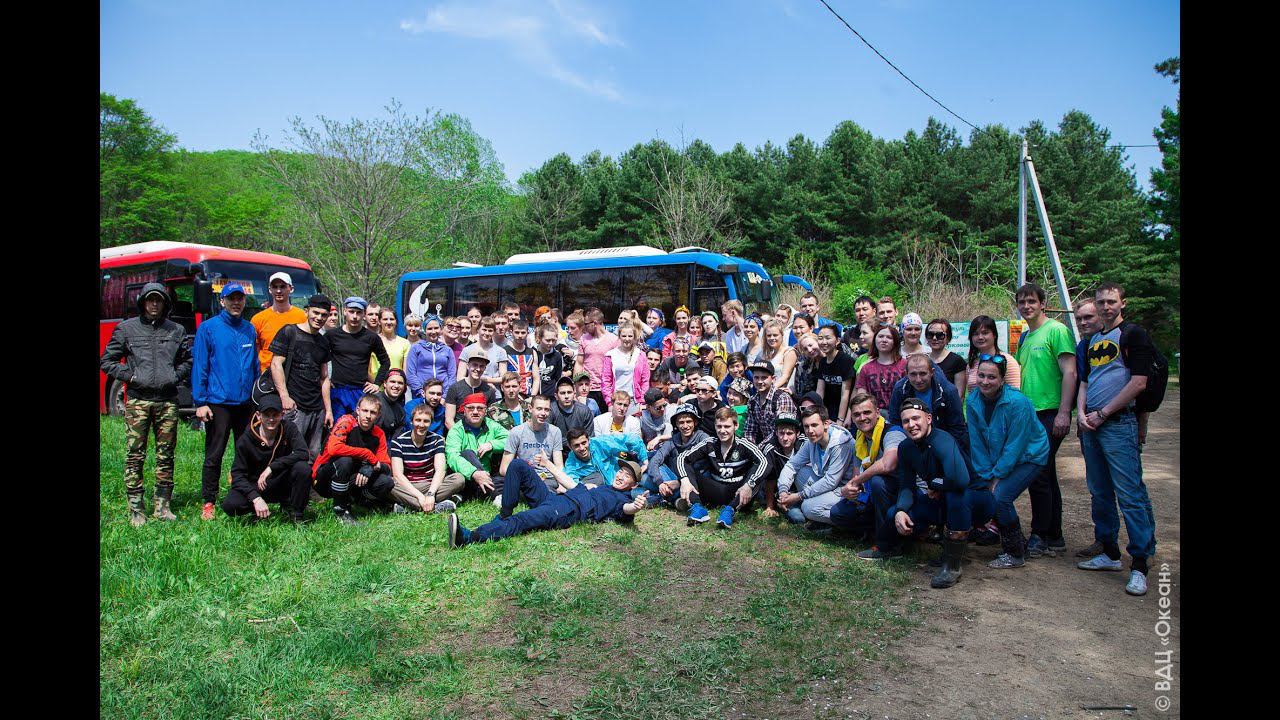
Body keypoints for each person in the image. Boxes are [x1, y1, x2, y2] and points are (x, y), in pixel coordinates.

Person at [1075, 282, 1158, 596]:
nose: (1105, 307)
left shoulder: (1133, 335)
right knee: (1099, 491)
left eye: (1111, 301)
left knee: (1130, 494)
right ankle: (1109, 552)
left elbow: (1139, 382)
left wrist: (1104, 413)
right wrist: (1082, 414)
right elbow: (1085, 382)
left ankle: (1140, 563)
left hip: (1118, 423)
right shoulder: (1092, 341)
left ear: (1123, 303)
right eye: (1101, 302)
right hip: (1091, 425)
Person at [101, 282, 192, 526]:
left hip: (167, 402)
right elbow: (107, 361)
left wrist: (174, 376)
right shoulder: (126, 329)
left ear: (165, 304)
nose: (154, 304)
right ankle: (136, 509)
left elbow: (187, 360)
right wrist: (131, 377)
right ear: (142, 302)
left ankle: (163, 507)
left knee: (166, 455)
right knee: (135, 455)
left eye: (158, 300)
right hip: (138, 401)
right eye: (150, 300)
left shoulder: (176, 330)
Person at [889, 397, 996, 588]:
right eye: (906, 421)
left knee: (957, 495)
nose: (911, 425)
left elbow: (960, 481)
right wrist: (901, 510)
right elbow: (906, 485)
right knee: (894, 513)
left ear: (929, 418)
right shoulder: (906, 447)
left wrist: (935, 485)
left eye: (916, 418)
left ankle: (952, 566)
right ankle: (893, 545)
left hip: (977, 501)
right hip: (944, 500)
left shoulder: (942, 439)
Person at [446, 457, 649, 548]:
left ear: (633, 485)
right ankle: (504, 514)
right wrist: (548, 464)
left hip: (567, 510)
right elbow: (571, 484)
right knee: (518, 465)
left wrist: (636, 506)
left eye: (627, 476)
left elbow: (626, 510)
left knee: (522, 520)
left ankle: (469, 537)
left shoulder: (620, 499)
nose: (621, 476)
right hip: (555, 499)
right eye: (621, 471)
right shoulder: (603, 487)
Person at [967, 353, 1050, 570]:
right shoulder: (973, 400)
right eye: (981, 375)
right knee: (989, 492)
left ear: (1002, 379)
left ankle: (1014, 553)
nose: (985, 381)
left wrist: (997, 476)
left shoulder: (1018, 402)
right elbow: (976, 443)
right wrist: (986, 475)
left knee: (1001, 496)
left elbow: (1016, 444)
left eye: (992, 377)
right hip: (1000, 456)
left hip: (1029, 455)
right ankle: (1019, 543)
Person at [1015, 282, 1078, 558]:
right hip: (1030, 415)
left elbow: (1070, 373)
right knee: (1047, 473)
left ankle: (1039, 535)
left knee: (1038, 472)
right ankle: (1054, 535)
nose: (1026, 306)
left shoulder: (1057, 330)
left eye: (1031, 301)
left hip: (1050, 412)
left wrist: (1064, 412)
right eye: (1022, 302)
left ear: (1043, 304)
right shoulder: (1025, 337)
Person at [191, 283, 259, 520]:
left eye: (240, 299)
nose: (236, 303)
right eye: (231, 299)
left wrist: (257, 398)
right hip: (218, 402)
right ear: (222, 301)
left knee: (246, 453)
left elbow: (254, 367)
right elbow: (200, 365)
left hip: (245, 404)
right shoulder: (208, 328)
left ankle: (244, 496)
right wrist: (200, 402)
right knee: (214, 453)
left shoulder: (249, 329)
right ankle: (209, 501)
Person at [833, 392, 907, 554]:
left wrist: (856, 481)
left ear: (877, 412)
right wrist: (850, 490)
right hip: (873, 496)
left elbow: (888, 464)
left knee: (878, 481)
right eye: (856, 414)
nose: (862, 418)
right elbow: (856, 476)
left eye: (867, 412)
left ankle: (888, 545)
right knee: (838, 513)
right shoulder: (859, 439)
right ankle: (874, 530)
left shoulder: (892, 432)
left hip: (903, 496)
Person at [220, 394, 312, 523]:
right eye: (266, 415)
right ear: (258, 415)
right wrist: (255, 497)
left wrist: (272, 467)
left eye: (275, 415)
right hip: (255, 485)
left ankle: (296, 513)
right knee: (230, 505)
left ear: (282, 414)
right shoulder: (246, 439)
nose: (271, 419)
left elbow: (303, 453)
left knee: (303, 468)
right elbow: (237, 474)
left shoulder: (289, 428)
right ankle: (258, 509)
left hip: (280, 481)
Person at [673, 406, 769, 528]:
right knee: (687, 468)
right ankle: (698, 508)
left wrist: (749, 485)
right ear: (715, 426)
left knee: (756, 472)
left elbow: (764, 462)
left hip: (738, 492)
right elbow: (681, 458)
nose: (722, 431)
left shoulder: (744, 445)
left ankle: (730, 511)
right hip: (715, 489)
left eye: (727, 426)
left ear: (736, 426)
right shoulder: (709, 443)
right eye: (719, 426)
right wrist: (684, 480)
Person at [312, 393, 395, 525]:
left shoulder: (379, 433)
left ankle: (360, 502)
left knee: (386, 482)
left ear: (378, 415)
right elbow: (334, 448)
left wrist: (371, 468)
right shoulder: (346, 421)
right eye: (365, 411)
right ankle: (340, 510)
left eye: (373, 412)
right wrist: (366, 454)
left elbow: (386, 466)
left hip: (353, 478)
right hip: (325, 479)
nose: (368, 416)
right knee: (345, 460)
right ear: (357, 410)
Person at [269, 294, 335, 461]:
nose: (319, 318)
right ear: (307, 311)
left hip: (317, 408)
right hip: (294, 406)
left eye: (323, 315)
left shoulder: (323, 342)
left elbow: (324, 378)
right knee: (289, 453)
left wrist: (328, 410)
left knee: (313, 455)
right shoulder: (289, 332)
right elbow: (276, 364)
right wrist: (284, 396)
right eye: (315, 313)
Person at [775, 405, 856, 527]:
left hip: (843, 489)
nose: (810, 430)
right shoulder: (812, 441)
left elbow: (831, 481)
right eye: (806, 426)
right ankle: (815, 513)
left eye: (814, 425)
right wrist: (783, 491)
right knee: (801, 472)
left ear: (826, 424)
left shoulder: (841, 443)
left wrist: (798, 496)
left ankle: (846, 524)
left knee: (808, 508)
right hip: (827, 483)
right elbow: (792, 465)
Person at [387, 403, 464, 514]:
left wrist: (431, 494)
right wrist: (420, 497)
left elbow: (440, 470)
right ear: (411, 421)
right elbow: (398, 475)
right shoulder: (398, 442)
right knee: (388, 484)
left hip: (430, 484)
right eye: (418, 420)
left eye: (426, 421)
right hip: (408, 486)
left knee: (458, 479)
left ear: (431, 423)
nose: (422, 425)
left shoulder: (437, 440)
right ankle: (435, 506)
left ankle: (409, 506)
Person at [887, 354, 968, 454]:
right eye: (913, 374)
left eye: (923, 374)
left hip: (943, 441)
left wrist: (951, 452)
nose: (918, 380)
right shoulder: (900, 389)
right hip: (911, 440)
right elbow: (895, 421)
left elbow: (957, 428)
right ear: (906, 374)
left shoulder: (948, 392)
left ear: (932, 372)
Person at [328, 297, 390, 419]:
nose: (355, 316)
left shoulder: (371, 337)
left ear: (364, 314)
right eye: (351, 312)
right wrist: (325, 380)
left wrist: (377, 384)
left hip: (360, 391)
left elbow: (385, 362)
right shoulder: (332, 335)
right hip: (338, 391)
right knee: (338, 427)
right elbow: (320, 359)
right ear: (344, 311)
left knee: (360, 426)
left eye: (359, 312)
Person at [444, 391, 510, 505]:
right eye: (471, 408)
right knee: (467, 453)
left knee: (511, 477)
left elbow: (511, 439)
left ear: (485, 411)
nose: (475, 412)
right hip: (467, 476)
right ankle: (494, 495)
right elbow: (452, 457)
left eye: (480, 408)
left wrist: (492, 444)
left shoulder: (492, 425)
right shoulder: (456, 430)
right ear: (464, 411)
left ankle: (475, 493)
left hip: (489, 474)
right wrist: (474, 472)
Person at [645, 402, 711, 506]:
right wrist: (660, 483)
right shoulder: (673, 440)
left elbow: (705, 467)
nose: (685, 426)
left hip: (696, 479)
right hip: (672, 479)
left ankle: (661, 498)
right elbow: (655, 460)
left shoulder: (703, 438)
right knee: (649, 475)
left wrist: (680, 482)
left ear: (695, 422)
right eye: (681, 422)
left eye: (688, 421)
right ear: (676, 424)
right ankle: (675, 498)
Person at [499, 394, 565, 491]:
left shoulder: (555, 432)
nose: (543, 413)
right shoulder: (517, 432)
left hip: (547, 478)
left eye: (547, 410)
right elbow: (504, 468)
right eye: (539, 409)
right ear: (530, 408)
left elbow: (559, 466)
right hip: (524, 478)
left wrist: (562, 484)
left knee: (545, 489)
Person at [251, 271, 306, 374]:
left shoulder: (302, 317)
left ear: (291, 289)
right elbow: (254, 352)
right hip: (266, 375)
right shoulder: (258, 319)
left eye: (283, 286)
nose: (279, 290)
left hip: (295, 375)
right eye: (275, 287)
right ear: (270, 290)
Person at [756, 411, 802, 518]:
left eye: (789, 433)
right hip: (777, 489)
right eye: (781, 433)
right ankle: (774, 502)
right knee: (797, 517)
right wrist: (770, 507)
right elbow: (770, 479)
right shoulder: (770, 448)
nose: (785, 438)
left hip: (800, 490)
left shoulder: (805, 445)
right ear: (776, 433)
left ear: (798, 433)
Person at [564, 427, 648, 486]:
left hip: (621, 473)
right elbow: (571, 482)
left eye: (584, 443)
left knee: (645, 480)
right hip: (604, 489)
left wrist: (644, 460)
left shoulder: (601, 443)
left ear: (589, 440)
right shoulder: (571, 463)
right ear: (570, 447)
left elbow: (632, 439)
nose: (582, 448)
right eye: (576, 445)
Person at [572, 307, 620, 411]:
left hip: (607, 389)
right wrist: (576, 387)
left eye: (586, 324)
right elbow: (579, 363)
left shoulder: (614, 340)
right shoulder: (584, 339)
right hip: (588, 388)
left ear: (594, 323)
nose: (584, 327)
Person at [743, 359, 797, 446]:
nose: (759, 381)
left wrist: (760, 447)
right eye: (756, 377)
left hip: (784, 445)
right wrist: (750, 448)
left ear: (773, 379)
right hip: (766, 445)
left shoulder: (782, 398)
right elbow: (750, 430)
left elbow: (781, 431)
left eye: (764, 377)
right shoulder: (752, 401)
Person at [445, 346, 499, 431]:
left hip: (481, 434)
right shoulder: (455, 388)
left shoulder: (489, 391)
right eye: (475, 365)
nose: (478, 369)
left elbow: (492, 420)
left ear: (485, 368)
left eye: (482, 366)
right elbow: (449, 421)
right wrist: (461, 436)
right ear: (467, 366)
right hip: (459, 432)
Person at [855, 324, 907, 412]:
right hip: (874, 415)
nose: (884, 340)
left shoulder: (905, 365)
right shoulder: (866, 368)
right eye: (881, 336)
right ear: (875, 339)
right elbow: (861, 396)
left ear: (895, 341)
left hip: (900, 414)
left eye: (889, 337)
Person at [602, 323, 649, 412]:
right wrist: (609, 402)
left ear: (634, 337)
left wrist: (642, 402)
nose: (627, 339)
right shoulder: (610, 355)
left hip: (634, 401)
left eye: (630, 336)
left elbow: (645, 380)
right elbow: (606, 381)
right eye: (624, 336)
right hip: (616, 400)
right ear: (619, 336)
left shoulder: (641, 355)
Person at [406, 315, 457, 399]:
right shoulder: (416, 348)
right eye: (429, 329)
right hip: (421, 396)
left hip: (441, 396)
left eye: (436, 328)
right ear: (424, 330)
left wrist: (445, 396)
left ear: (441, 329)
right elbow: (411, 374)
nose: (433, 332)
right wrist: (421, 393)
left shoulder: (447, 350)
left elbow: (452, 376)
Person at [966, 315, 1022, 390]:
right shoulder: (971, 364)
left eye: (985, 333)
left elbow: (1014, 394)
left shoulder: (1008, 362)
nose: (980, 337)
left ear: (994, 335)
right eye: (975, 334)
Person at [814, 325, 854, 427]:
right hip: (829, 410)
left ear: (837, 341)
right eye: (820, 338)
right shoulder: (823, 362)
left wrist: (840, 420)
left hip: (845, 411)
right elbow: (820, 392)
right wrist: (817, 414)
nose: (824, 342)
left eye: (828, 338)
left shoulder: (846, 360)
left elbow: (845, 394)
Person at [548, 376, 595, 448]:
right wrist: (573, 442)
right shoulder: (550, 410)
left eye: (569, 392)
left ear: (574, 394)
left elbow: (590, 437)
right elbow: (548, 437)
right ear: (556, 396)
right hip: (557, 449)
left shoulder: (584, 410)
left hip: (580, 449)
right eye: (563, 393)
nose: (566, 396)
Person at [926, 319, 968, 396]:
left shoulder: (957, 361)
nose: (934, 338)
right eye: (930, 334)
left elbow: (959, 395)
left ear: (948, 338)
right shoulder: (922, 360)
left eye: (940, 335)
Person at [469, 317, 509, 391]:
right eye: (484, 330)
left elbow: (503, 377)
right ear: (478, 330)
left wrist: (485, 380)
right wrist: (480, 381)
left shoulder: (501, 351)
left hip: (494, 391)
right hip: (472, 391)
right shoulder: (468, 350)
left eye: (490, 331)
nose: (487, 333)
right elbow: (460, 377)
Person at [371, 308, 410, 379]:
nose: (389, 322)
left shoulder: (404, 343)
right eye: (385, 319)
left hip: (396, 384)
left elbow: (405, 371)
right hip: (375, 384)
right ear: (379, 321)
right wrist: (374, 384)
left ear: (396, 321)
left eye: (392, 319)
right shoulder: (372, 341)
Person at [504, 319, 539, 397]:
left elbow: (536, 378)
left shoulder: (532, 352)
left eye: (523, 332)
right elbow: (503, 377)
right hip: (510, 395)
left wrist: (532, 397)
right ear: (511, 332)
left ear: (527, 333)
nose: (520, 336)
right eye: (517, 332)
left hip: (528, 396)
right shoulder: (504, 351)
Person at [532, 323, 565, 400]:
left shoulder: (557, 356)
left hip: (550, 396)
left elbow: (557, 377)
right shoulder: (532, 352)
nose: (550, 343)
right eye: (547, 340)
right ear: (540, 338)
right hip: (533, 395)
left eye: (553, 340)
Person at [374, 368, 408, 440]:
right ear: (385, 384)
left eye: (400, 383)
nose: (396, 386)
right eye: (393, 382)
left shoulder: (400, 412)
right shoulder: (372, 401)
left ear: (404, 387)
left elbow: (395, 439)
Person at [790, 333, 823, 397]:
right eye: (805, 349)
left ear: (818, 341)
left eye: (810, 345)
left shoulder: (830, 359)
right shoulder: (806, 366)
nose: (809, 350)